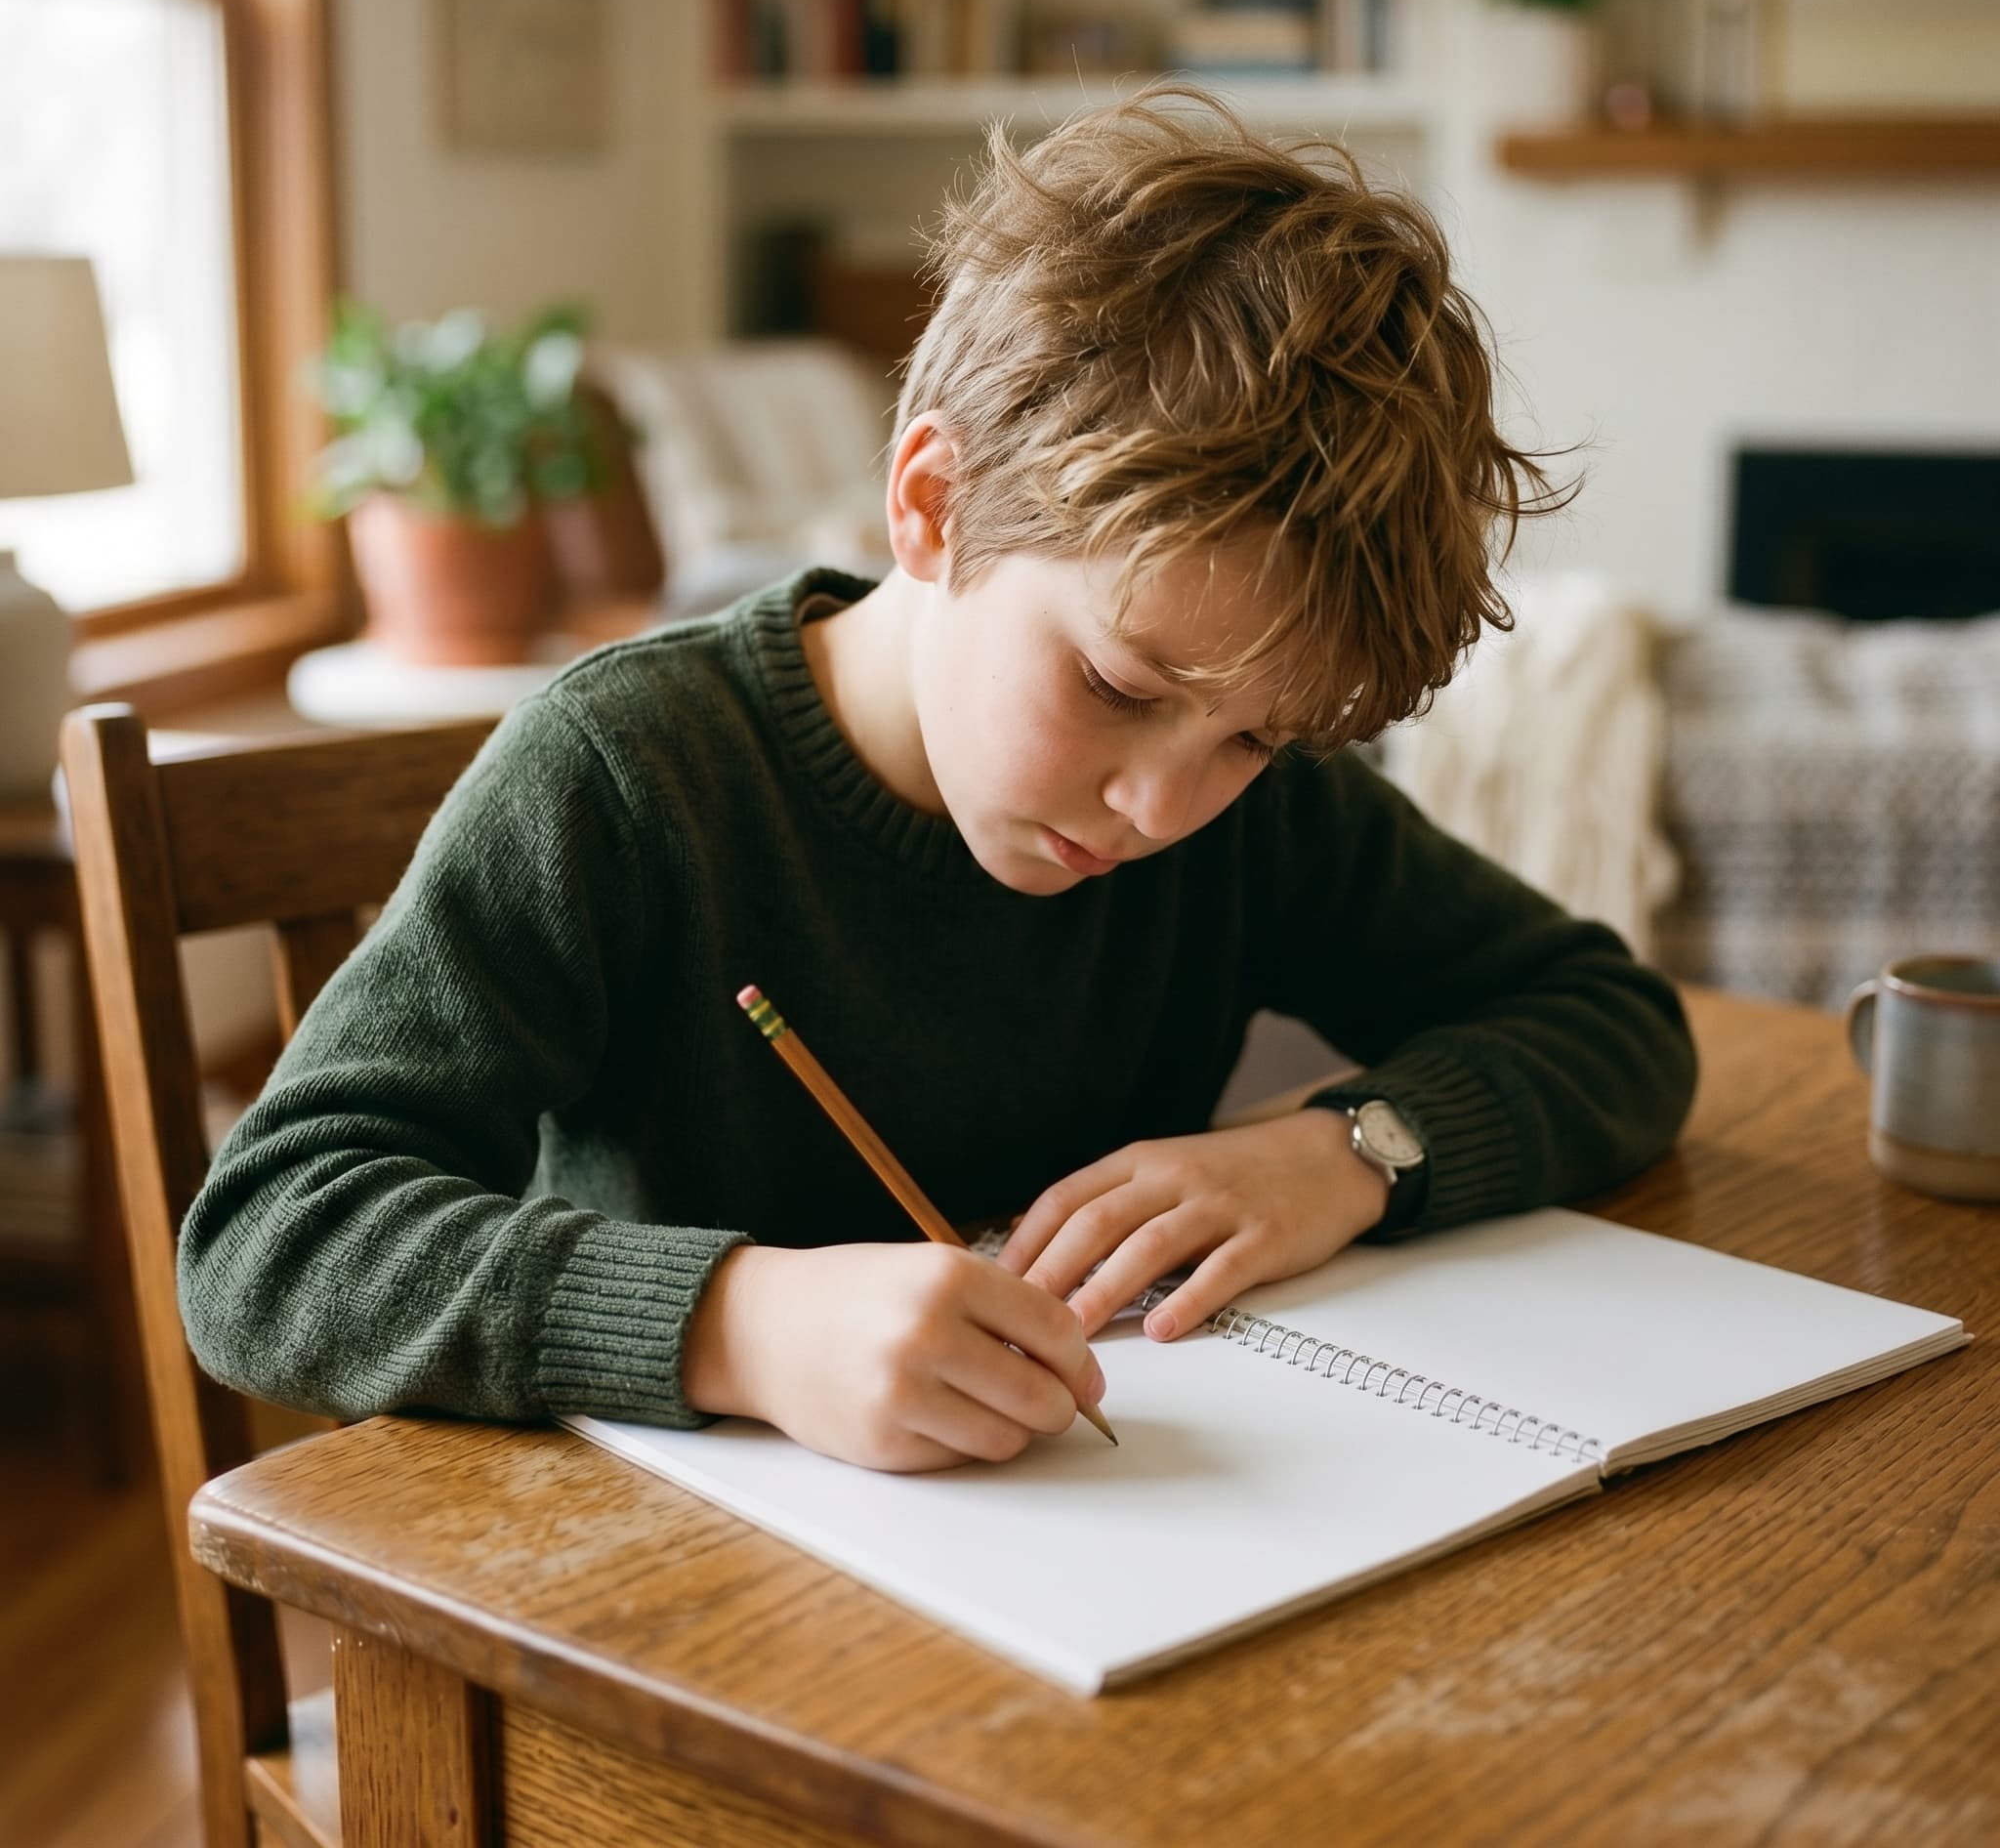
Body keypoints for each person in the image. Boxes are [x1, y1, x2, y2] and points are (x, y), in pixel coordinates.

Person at [181, 87, 1696, 1475]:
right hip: (663, 1599)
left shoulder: (1256, 811)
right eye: (1116, 690)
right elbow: (267, 1240)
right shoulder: (630, 779)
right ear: (933, 503)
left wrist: (1347, 1154)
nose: (1167, 810)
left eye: (1252, 742)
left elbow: (1611, 1024)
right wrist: (740, 1325)